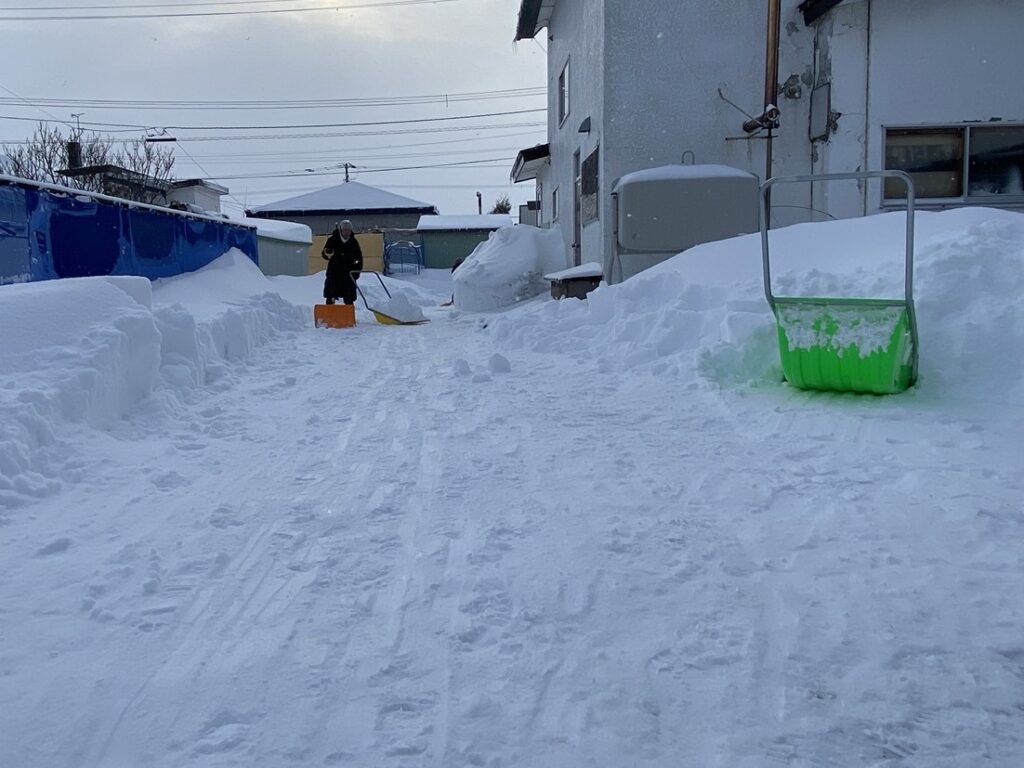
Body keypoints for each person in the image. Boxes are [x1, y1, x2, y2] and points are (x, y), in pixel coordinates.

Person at [321, 220, 363, 305]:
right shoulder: (332, 240)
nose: (347, 232)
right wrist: (328, 253)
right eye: (345, 230)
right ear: (341, 230)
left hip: (349, 274)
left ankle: (348, 315)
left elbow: (359, 258)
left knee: (349, 297)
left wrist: (356, 272)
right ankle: (328, 314)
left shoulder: (353, 242)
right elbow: (325, 254)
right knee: (331, 294)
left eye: (349, 230)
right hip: (334, 273)